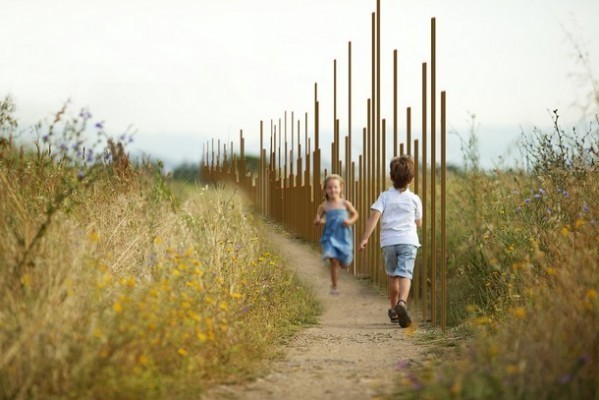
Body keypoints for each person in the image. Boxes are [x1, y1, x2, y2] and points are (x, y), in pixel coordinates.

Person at [359, 155, 422, 327]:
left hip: (388, 242)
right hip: (408, 241)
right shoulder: (415, 199)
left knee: (393, 277)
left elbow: (374, 216)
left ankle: (394, 311)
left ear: (391, 176)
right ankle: (402, 302)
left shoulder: (385, 197)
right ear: (411, 178)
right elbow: (419, 223)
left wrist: (365, 238)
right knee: (405, 274)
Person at [314, 174, 359, 295]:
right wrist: (318, 220)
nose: (332, 190)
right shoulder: (324, 206)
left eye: (335, 187)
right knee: (333, 261)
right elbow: (317, 218)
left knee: (344, 262)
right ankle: (334, 286)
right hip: (329, 236)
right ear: (325, 190)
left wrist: (350, 221)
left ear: (341, 188)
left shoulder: (345, 204)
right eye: (329, 187)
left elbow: (355, 214)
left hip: (343, 236)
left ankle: (343, 262)